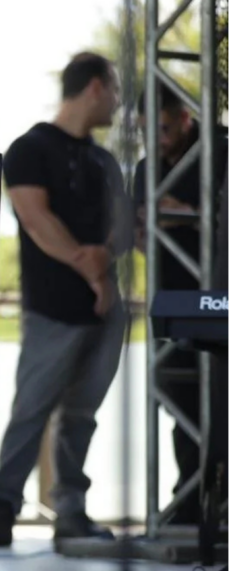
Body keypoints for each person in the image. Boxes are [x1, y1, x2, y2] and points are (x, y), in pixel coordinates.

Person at [0, 52, 129, 548]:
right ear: (95, 87)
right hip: (53, 308)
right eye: (115, 91)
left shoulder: (104, 159)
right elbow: (36, 221)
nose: (118, 103)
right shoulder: (30, 148)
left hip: (105, 312)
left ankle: (71, 511)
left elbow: (122, 229)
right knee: (31, 409)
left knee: (83, 415)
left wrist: (104, 269)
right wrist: (91, 269)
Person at [132, 85, 229, 524]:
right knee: (176, 393)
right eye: (148, 132)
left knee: (220, 394)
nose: (157, 140)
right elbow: (139, 229)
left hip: (218, 291)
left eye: (165, 129)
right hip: (171, 298)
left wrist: (184, 212)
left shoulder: (220, 152)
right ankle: (191, 499)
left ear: (185, 118)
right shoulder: (146, 168)